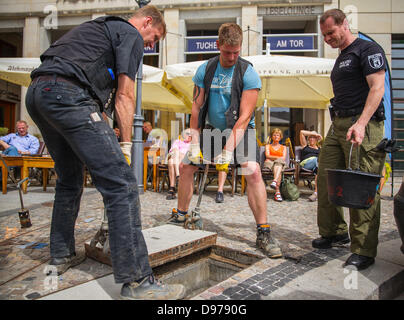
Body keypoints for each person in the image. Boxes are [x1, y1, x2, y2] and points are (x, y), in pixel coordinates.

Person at [25, 5, 185, 300]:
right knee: (122, 186)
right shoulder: (130, 34)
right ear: (147, 21)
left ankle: (61, 254)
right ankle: (138, 281)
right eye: (155, 37)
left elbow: (97, 98)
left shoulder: (99, 28)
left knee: (69, 179)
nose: (150, 45)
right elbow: (125, 95)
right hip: (68, 95)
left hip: (38, 93)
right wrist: (125, 145)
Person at [168, 22, 282, 259]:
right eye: (227, 51)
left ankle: (263, 231)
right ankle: (180, 215)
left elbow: (245, 116)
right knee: (186, 166)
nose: (231, 57)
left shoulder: (248, 72)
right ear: (218, 45)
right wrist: (196, 143)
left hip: (242, 130)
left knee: (252, 171)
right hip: (212, 128)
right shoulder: (205, 69)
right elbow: (197, 109)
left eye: (236, 52)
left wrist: (228, 151)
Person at [314, 9, 387, 271]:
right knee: (325, 177)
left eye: (331, 33)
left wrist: (361, 123)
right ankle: (335, 231)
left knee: (360, 186)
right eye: (324, 35)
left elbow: (377, 88)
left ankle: (363, 250)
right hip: (339, 124)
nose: (327, 38)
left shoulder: (367, 49)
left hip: (363, 124)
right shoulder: (342, 56)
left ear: (345, 24)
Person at [166, 129, 191, 200]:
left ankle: (172, 188)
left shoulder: (192, 144)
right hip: (176, 159)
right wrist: (179, 153)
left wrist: (182, 155)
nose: (189, 135)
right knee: (173, 158)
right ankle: (178, 176)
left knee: (171, 161)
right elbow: (173, 151)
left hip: (185, 162)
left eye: (191, 134)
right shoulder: (177, 141)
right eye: (187, 133)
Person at [264, 128, 287, 202]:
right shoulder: (268, 146)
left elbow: (283, 158)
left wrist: (274, 158)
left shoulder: (284, 147)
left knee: (279, 164)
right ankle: (277, 192)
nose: (276, 136)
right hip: (269, 163)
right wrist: (277, 157)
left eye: (278, 135)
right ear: (272, 136)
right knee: (279, 166)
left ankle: (274, 181)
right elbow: (267, 156)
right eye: (274, 135)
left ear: (280, 137)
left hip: (278, 163)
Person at [299, 129, 322, 202]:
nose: (312, 139)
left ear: (316, 140)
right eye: (310, 137)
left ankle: (315, 193)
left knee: (318, 169)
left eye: (314, 137)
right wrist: (314, 134)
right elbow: (301, 132)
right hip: (306, 165)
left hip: (317, 165)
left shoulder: (320, 149)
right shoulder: (305, 146)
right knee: (316, 159)